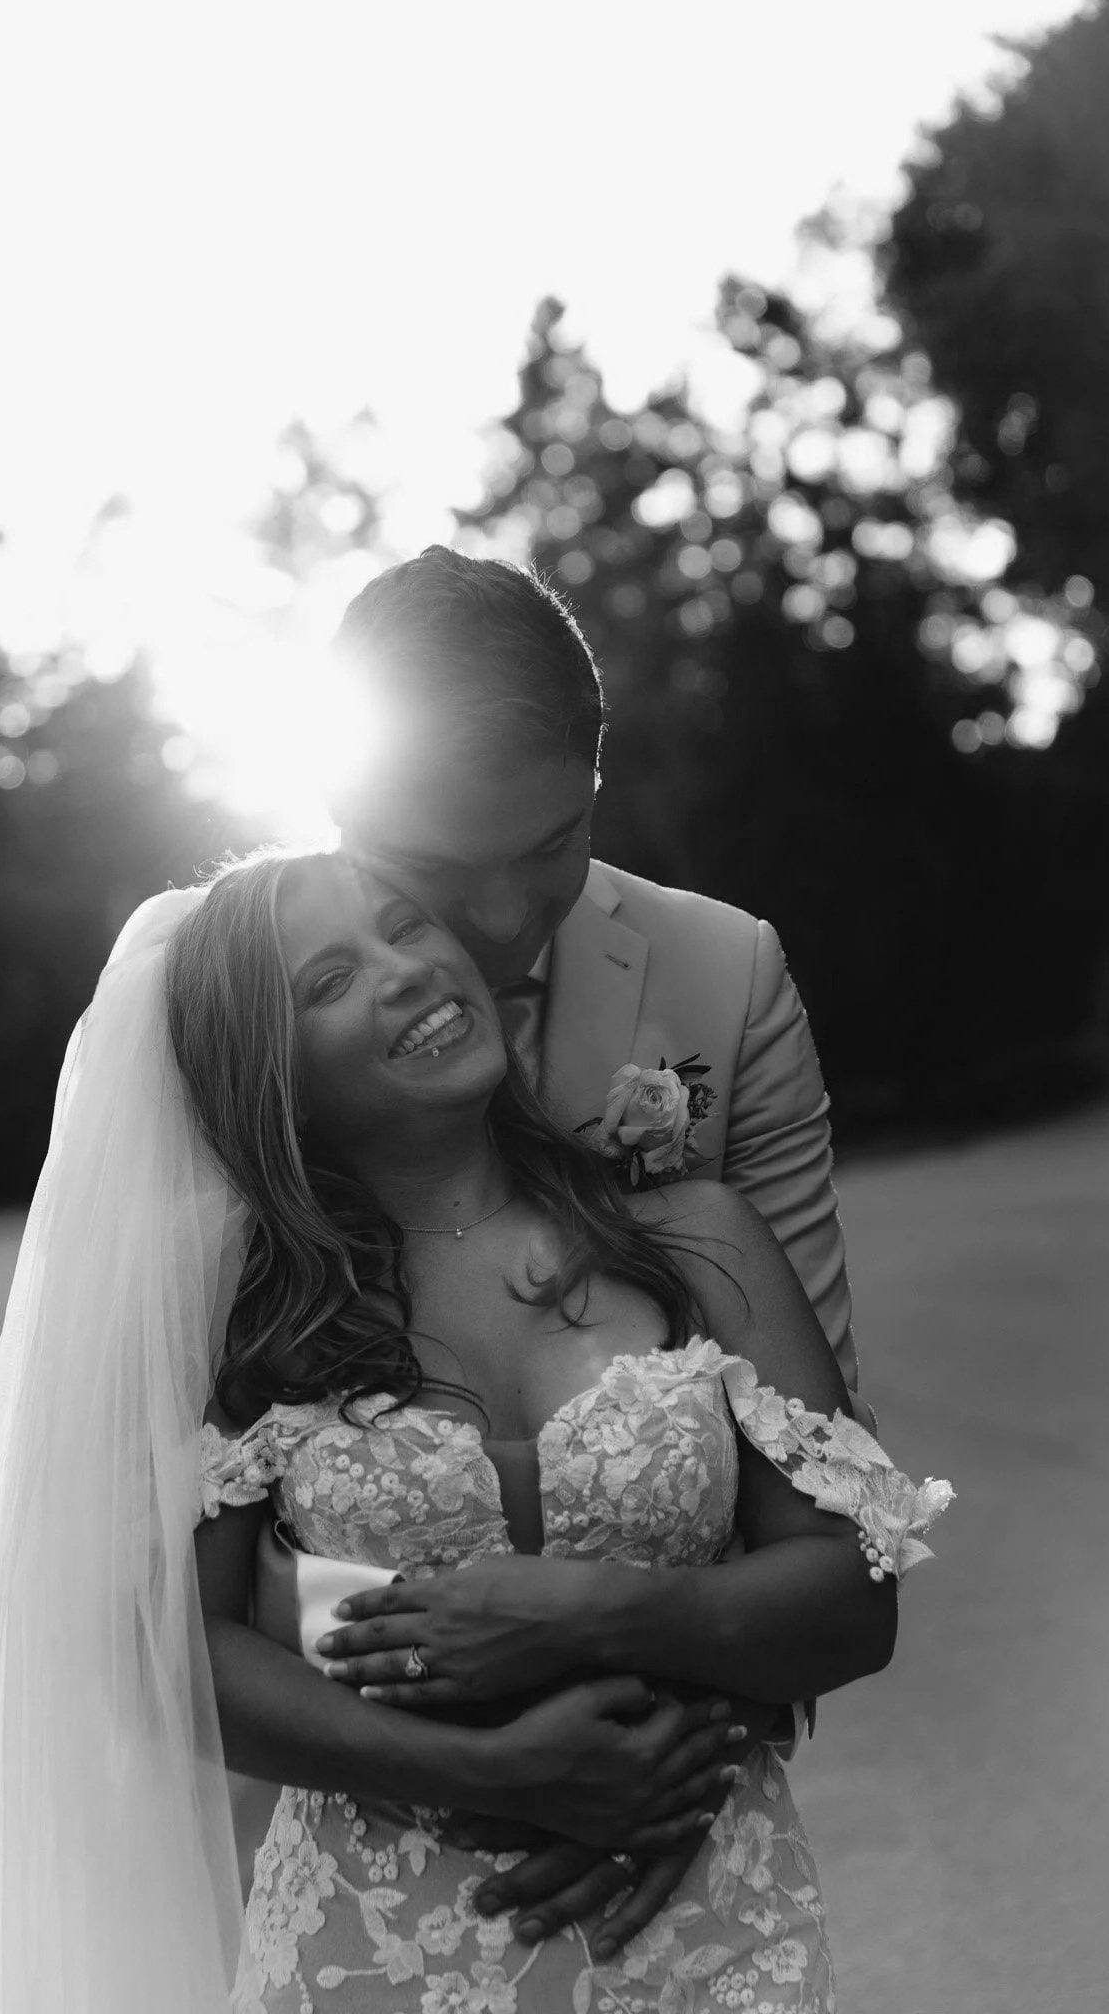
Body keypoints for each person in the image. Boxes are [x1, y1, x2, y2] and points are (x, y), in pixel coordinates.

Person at [228, 543, 875, 1944]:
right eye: (439, 871)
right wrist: (478, 1770)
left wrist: (650, 1756)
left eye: (554, 848)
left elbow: (818, 1472)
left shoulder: (724, 975)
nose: (511, 920)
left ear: (595, 772)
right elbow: (181, 1554)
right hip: (363, 1798)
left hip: (673, 1788)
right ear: (342, 799)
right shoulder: (243, 1002)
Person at [174, 847, 948, 2013]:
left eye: (404, 924)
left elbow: (856, 1593)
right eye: (330, 976)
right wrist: (490, 1769)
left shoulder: (696, 1236)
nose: (406, 969)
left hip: (706, 1926)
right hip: (377, 1946)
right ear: (266, 1071)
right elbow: (189, 1653)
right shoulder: (255, 1318)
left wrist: (598, 1609)